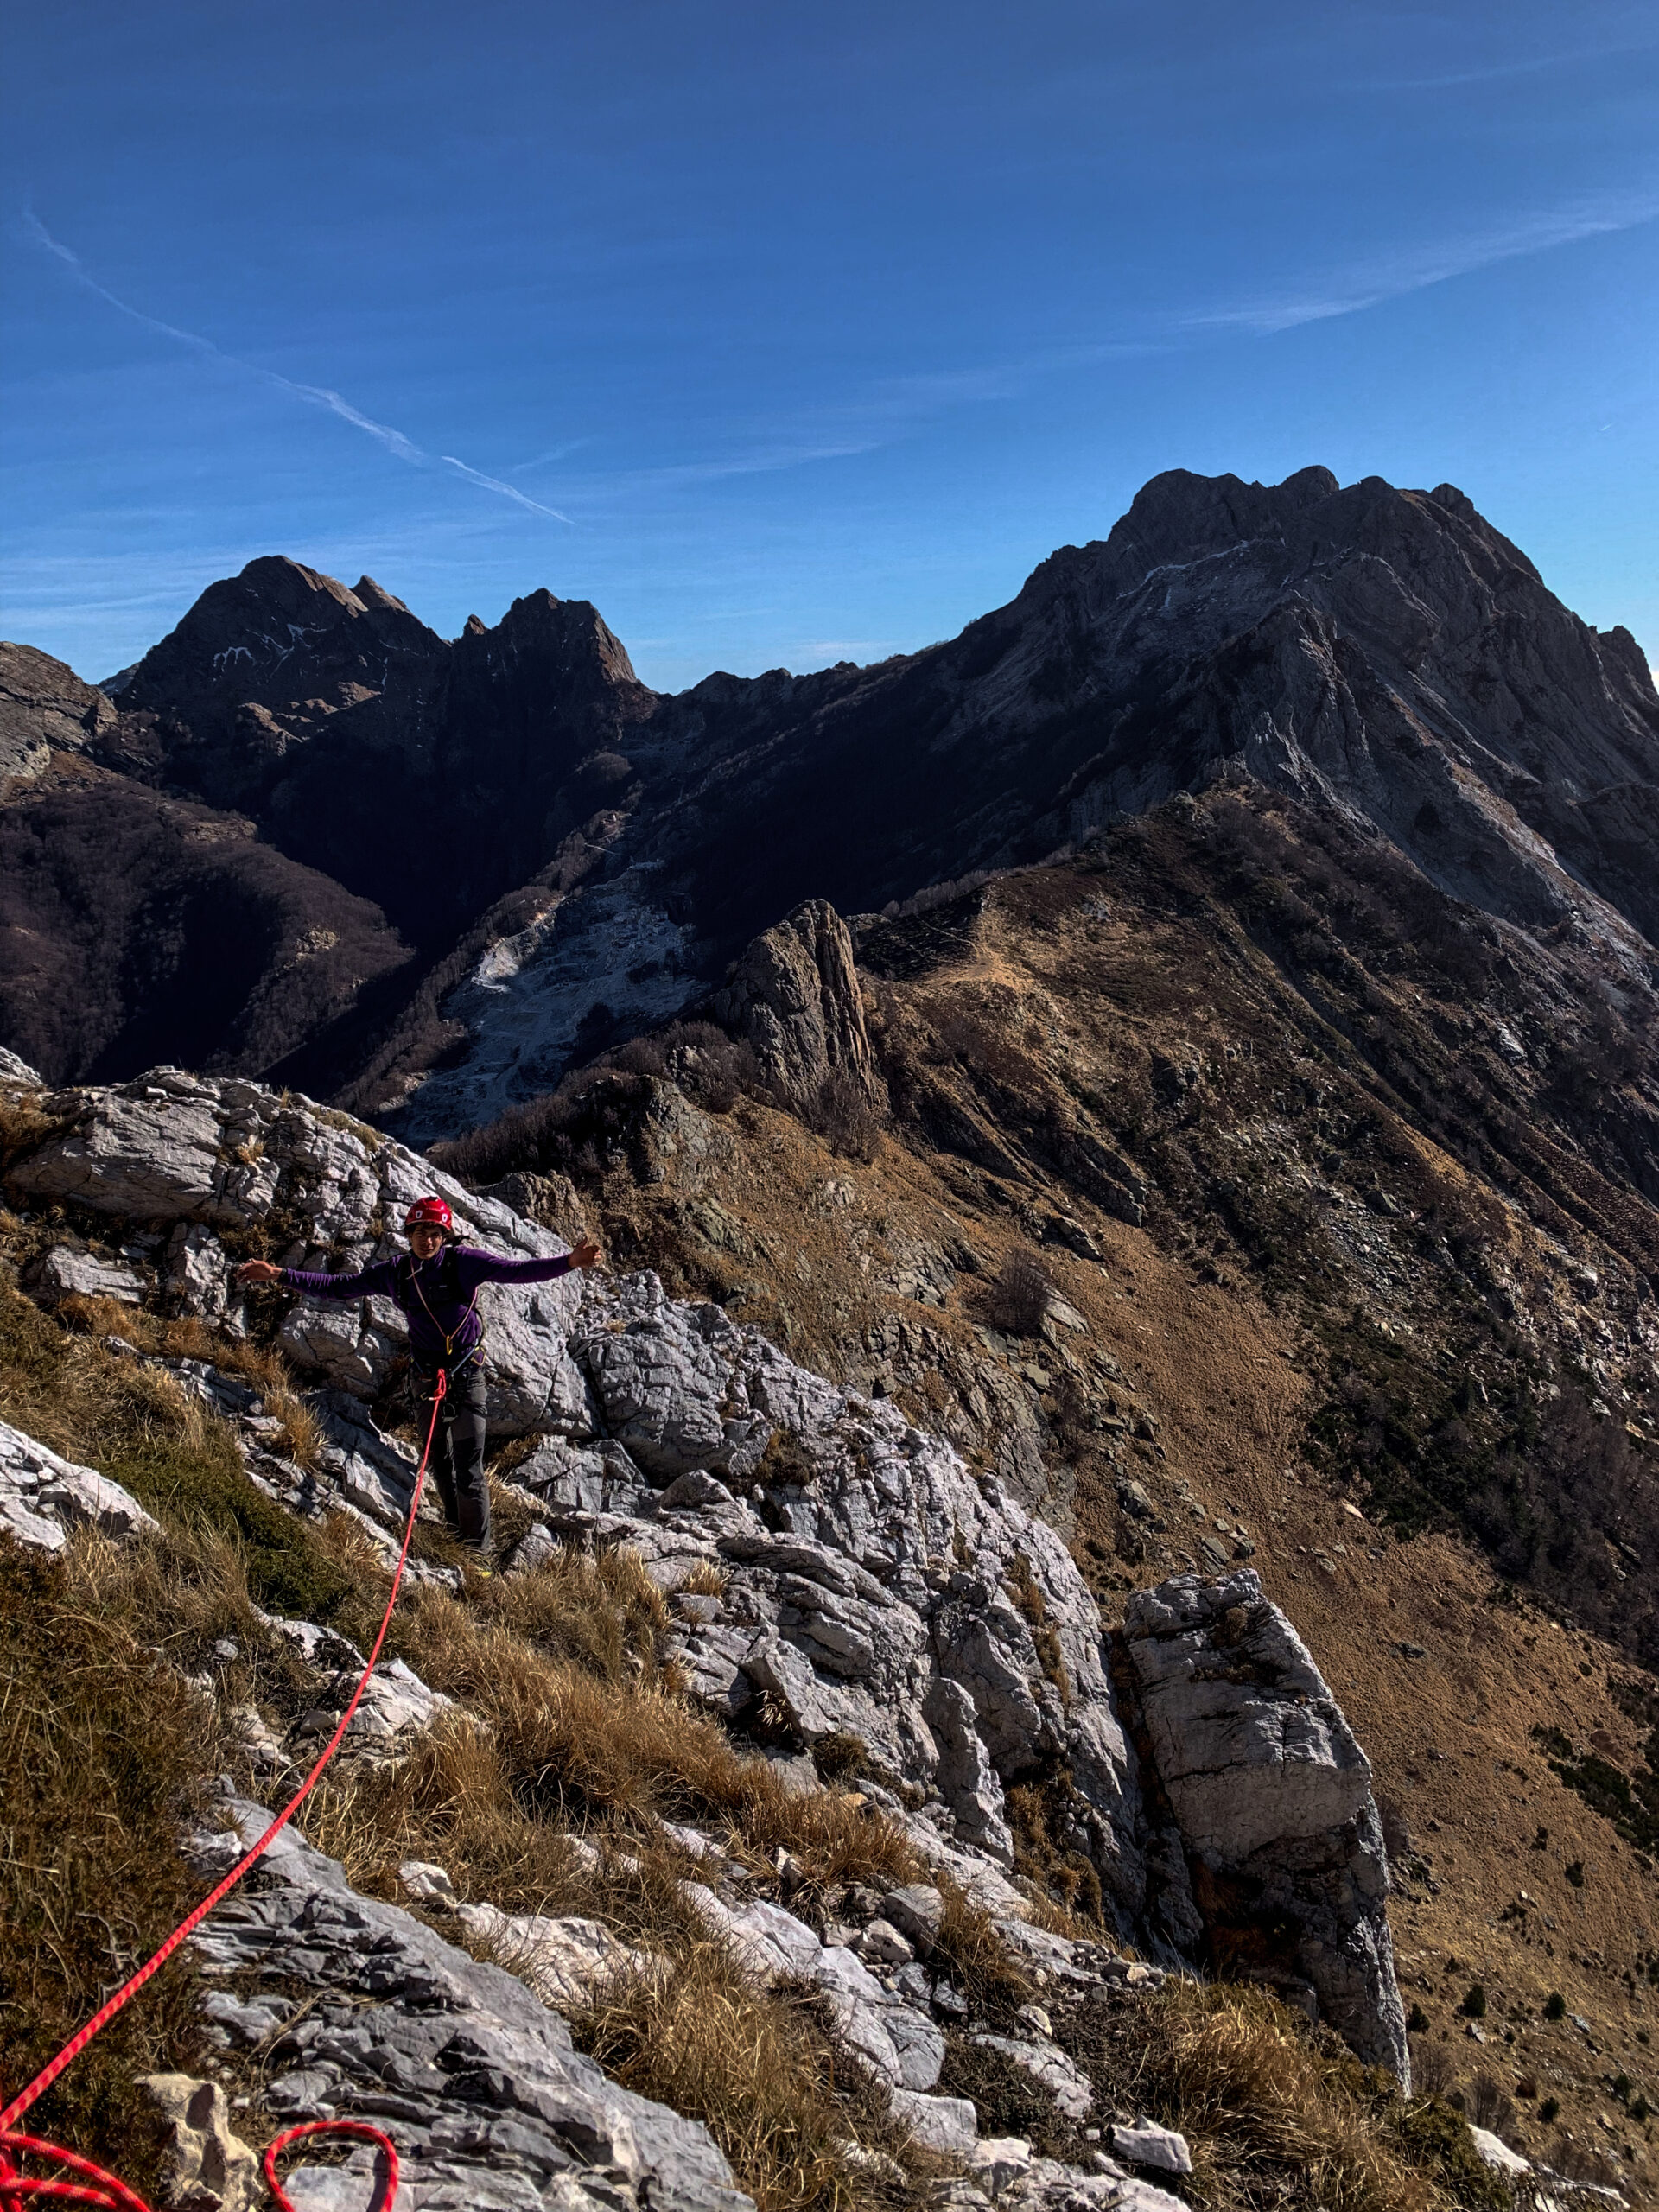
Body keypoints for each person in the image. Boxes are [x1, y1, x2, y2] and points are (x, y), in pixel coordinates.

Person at [236, 1197, 601, 1558]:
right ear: (408, 1234)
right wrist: (279, 1275)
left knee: (468, 1466)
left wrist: (569, 1262)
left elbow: (516, 1271)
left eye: (434, 1233)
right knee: (439, 1461)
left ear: (445, 1235)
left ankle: (480, 1555)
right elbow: (339, 1287)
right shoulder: (395, 1273)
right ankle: (458, 1534)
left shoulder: (463, 1263)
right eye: (419, 1232)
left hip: (466, 1374)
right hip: (426, 1378)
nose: (426, 1240)